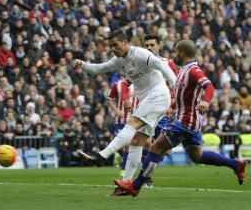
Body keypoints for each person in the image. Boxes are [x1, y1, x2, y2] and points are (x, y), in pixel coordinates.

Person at [114, 40, 247, 197]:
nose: (175, 55)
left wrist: (205, 101)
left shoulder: (193, 70)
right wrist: (173, 107)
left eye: (176, 52)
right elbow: (185, 97)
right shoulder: (184, 70)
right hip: (190, 120)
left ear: (182, 53)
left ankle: (135, 186)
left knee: (155, 148)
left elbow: (209, 86)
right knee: (196, 156)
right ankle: (235, 164)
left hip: (186, 122)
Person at [74, 30, 176, 169]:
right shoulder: (119, 60)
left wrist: (176, 87)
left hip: (158, 96)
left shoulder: (140, 53)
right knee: (137, 142)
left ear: (125, 43)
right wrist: (83, 65)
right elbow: (99, 68)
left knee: (132, 123)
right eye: (111, 46)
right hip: (148, 99)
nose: (113, 49)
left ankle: (102, 156)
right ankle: (128, 182)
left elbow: (162, 66)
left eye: (116, 45)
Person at [109, 35, 178, 195]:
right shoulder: (140, 60)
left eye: (152, 45)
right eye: (146, 45)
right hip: (149, 107)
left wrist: (173, 106)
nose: (149, 48)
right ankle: (139, 180)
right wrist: (125, 99)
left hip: (164, 107)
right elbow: (125, 83)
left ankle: (139, 179)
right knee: (145, 143)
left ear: (159, 46)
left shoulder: (168, 63)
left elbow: (176, 84)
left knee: (156, 148)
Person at [106, 73, 137, 177]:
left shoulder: (139, 84)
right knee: (121, 144)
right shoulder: (117, 84)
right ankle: (119, 154)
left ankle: (123, 169)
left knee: (128, 144)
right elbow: (109, 99)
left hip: (133, 120)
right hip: (120, 120)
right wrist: (116, 110)